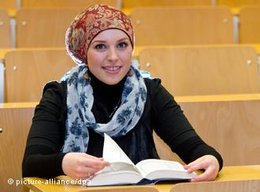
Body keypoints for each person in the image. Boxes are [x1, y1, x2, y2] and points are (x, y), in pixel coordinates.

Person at [22, 4, 223, 182]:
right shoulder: (59, 95)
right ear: (83, 51)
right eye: (100, 46)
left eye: (122, 45)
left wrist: (212, 159)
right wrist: (63, 163)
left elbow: (194, 148)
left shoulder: (150, 90)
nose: (113, 57)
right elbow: (31, 163)